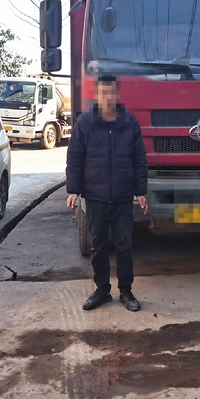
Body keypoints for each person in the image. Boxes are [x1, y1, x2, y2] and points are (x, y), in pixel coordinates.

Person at [66, 75, 149, 312]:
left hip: (123, 196)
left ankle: (126, 291)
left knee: (124, 246)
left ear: (117, 95)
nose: (108, 97)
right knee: (99, 246)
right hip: (95, 196)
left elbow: (139, 159)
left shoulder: (129, 122)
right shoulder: (85, 122)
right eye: (103, 93)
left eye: (112, 93)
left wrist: (140, 191)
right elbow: (75, 157)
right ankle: (102, 290)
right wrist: (73, 190)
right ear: (97, 95)